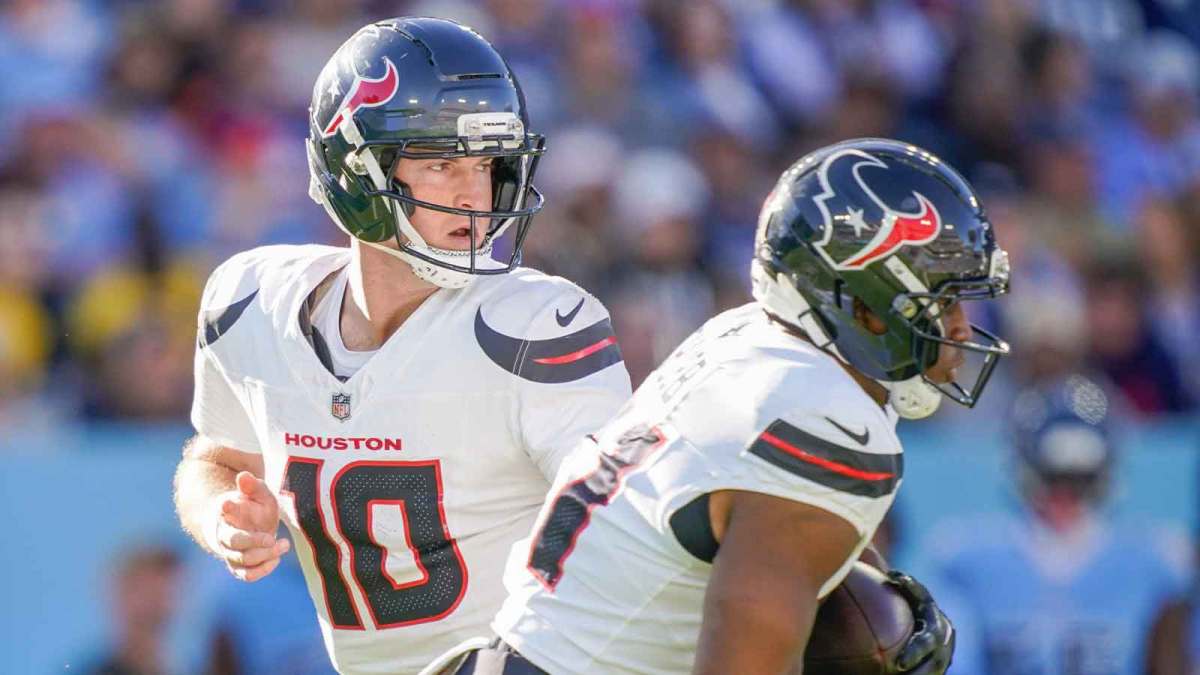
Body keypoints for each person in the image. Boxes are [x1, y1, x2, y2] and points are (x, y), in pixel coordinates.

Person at [428, 138, 1012, 674]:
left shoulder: (748, 337)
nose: (961, 331)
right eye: (944, 303)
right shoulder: (831, 424)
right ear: (866, 307)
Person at [172, 17, 632, 675]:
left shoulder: (534, 325)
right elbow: (214, 458)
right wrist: (223, 513)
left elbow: (626, 530)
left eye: (486, 163)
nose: (474, 191)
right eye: (443, 163)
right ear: (356, 171)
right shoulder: (250, 305)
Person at [929, 376, 1188, 675]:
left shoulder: (1156, 561)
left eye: (1081, 480)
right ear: (1025, 471)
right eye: (1051, 478)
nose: (1065, 495)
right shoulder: (967, 560)